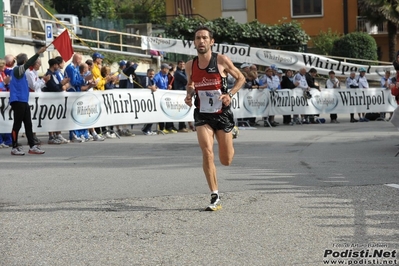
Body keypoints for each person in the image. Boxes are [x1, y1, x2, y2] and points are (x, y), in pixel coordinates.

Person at [184, 26, 245, 211]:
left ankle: (231, 132)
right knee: (207, 152)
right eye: (197, 38)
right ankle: (215, 195)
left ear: (211, 41)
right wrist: (189, 95)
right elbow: (191, 84)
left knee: (226, 160)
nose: (201, 41)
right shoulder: (190, 65)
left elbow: (241, 78)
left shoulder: (221, 60)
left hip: (222, 113)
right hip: (202, 113)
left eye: (204, 38)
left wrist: (230, 94)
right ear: (194, 42)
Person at [9, 47, 47, 155]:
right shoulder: (17, 70)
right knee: (17, 125)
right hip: (18, 100)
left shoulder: (21, 71)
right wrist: (37, 54)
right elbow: (26, 65)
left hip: (23, 100)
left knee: (28, 124)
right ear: (25, 61)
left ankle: (32, 146)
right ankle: (14, 147)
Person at [154, 63, 176, 133]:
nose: (168, 70)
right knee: (161, 111)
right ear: (163, 69)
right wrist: (155, 87)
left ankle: (168, 127)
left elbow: (166, 85)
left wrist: (169, 87)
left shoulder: (166, 76)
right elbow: (153, 83)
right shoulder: (157, 76)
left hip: (165, 96)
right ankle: (161, 128)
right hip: (159, 96)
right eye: (167, 69)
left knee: (167, 111)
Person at [140, 68, 157, 135]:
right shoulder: (146, 78)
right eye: (150, 74)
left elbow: (153, 86)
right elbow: (145, 86)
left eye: (153, 74)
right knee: (150, 115)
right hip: (146, 99)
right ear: (147, 73)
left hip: (151, 99)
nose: (151, 75)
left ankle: (148, 129)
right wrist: (151, 88)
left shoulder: (152, 80)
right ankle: (146, 129)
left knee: (152, 115)